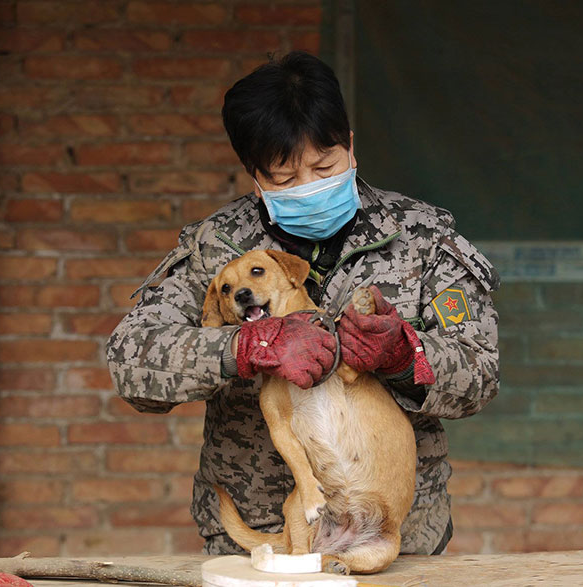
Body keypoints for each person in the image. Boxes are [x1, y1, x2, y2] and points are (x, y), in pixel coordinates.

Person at [106, 51, 499, 555]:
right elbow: (131, 361)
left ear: (351, 147)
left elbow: (481, 373)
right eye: (286, 179)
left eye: (325, 166)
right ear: (255, 176)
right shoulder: (218, 249)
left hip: (389, 531)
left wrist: (406, 356)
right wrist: (243, 347)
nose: (310, 187)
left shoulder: (421, 238)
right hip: (265, 535)